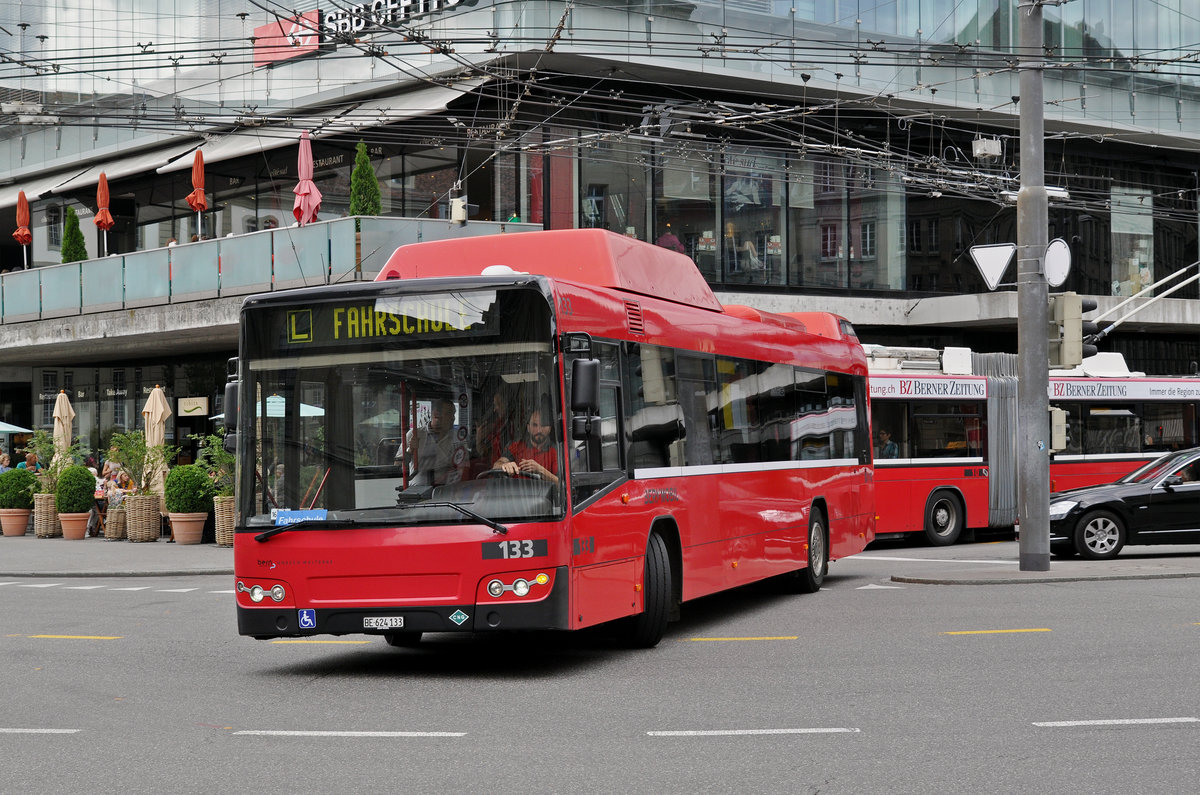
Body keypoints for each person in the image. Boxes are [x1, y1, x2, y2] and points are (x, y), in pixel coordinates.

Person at [493, 403, 559, 484]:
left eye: (543, 425)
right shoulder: (516, 446)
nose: (539, 430)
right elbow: (496, 466)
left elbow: (560, 484)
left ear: (549, 429)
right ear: (528, 428)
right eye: (535, 425)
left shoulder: (556, 451)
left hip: (545, 496)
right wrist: (504, 466)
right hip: (517, 494)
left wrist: (539, 470)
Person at [408, 397, 466, 487]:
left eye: (453, 414)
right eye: (449, 414)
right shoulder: (415, 434)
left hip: (448, 490)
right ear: (436, 415)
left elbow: (463, 467)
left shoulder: (457, 437)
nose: (453, 418)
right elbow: (398, 465)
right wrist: (410, 450)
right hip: (417, 491)